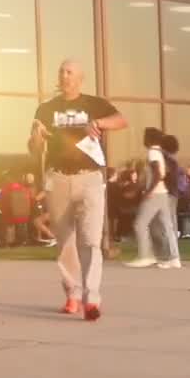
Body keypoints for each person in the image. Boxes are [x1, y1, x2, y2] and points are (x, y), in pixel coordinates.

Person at [30, 58, 125, 321]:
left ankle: (91, 299)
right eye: (61, 71)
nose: (64, 75)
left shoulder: (94, 104)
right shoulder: (46, 109)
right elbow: (34, 147)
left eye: (69, 72)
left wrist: (100, 124)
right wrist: (36, 138)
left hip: (90, 178)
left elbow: (120, 120)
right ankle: (72, 293)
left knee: (90, 240)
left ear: (80, 77)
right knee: (65, 241)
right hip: (58, 179)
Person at [126, 127, 178, 269]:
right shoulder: (159, 152)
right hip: (163, 193)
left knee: (140, 224)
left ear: (149, 139)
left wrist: (148, 190)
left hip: (155, 193)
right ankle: (174, 258)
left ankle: (146, 256)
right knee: (167, 226)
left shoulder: (153, 152)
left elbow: (158, 173)